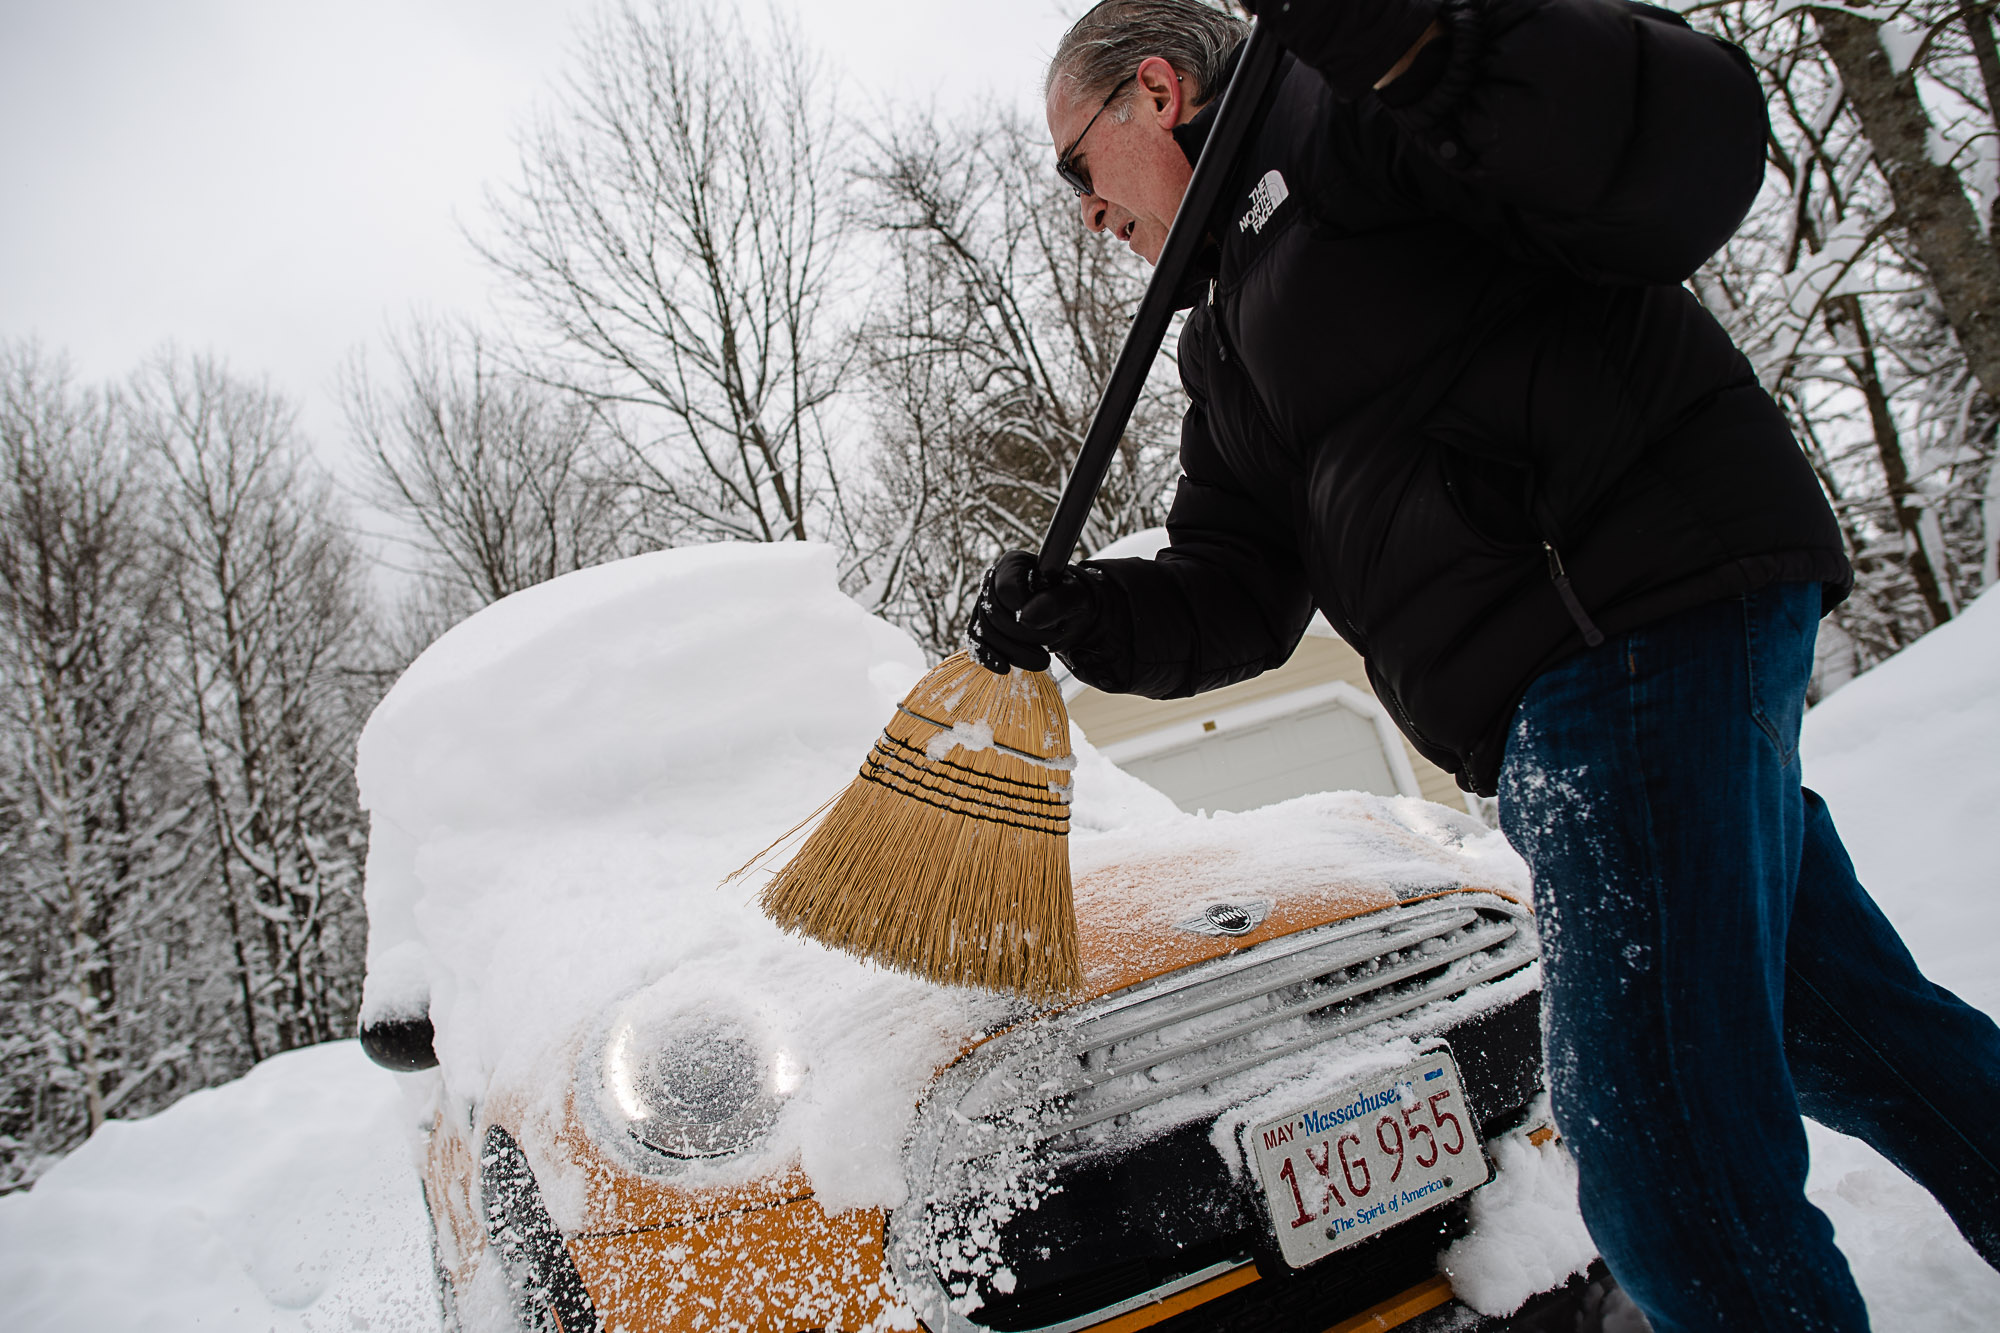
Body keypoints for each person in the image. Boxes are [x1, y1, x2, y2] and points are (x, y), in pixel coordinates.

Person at [965, 1, 2000, 1329]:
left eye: (1076, 170)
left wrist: (1428, 49)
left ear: (1155, 91)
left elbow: (1670, 142)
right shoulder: (1226, 331)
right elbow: (1237, 593)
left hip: (1618, 623)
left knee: (1660, 1167)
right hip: (1579, 682)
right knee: (1846, 1030)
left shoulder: (1340, 114)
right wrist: (1081, 613)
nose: (1088, 217)